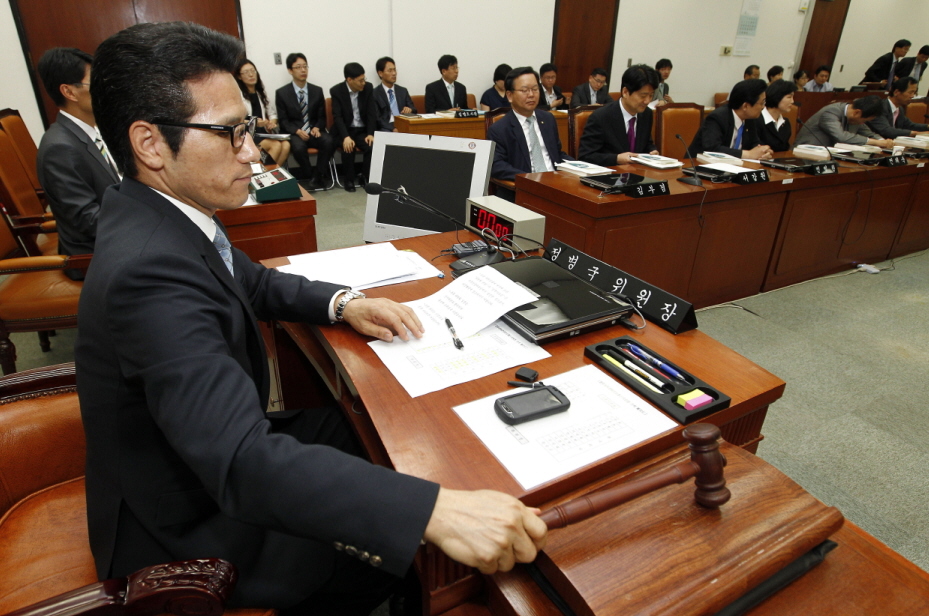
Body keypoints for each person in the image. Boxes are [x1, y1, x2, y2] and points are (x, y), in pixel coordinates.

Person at [79, 21, 547, 615]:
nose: (251, 150)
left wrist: (343, 303)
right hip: (187, 529)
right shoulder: (149, 275)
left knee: (364, 433)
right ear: (149, 143)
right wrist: (433, 511)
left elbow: (253, 280)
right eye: (229, 133)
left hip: (195, 455)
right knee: (416, 555)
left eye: (246, 128)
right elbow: (243, 463)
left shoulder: (162, 209)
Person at [35, 47, 120, 280]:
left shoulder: (90, 131)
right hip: (93, 257)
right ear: (69, 92)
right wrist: (145, 217)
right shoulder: (60, 149)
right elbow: (88, 220)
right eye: (95, 83)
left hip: (113, 237)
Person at [486, 66, 570, 201]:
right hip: (524, 190)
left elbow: (557, 154)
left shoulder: (548, 119)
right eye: (524, 90)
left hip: (557, 185)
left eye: (535, 89)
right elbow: (497, 166)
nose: (531, 95)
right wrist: (532, 178)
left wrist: (581, 167)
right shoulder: (500, 129)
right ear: (510, 95)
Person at [578, 64, 660, 166]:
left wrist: (652, 151)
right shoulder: (601, 117)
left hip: (638, 175)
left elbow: (646, 143)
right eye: (643, 96)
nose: (647, 101)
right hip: (609, 177)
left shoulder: (646, 114)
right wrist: (616, 159)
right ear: (625, 92)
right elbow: (586, 156)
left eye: (651, 95)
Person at [274, 53, 334, 189]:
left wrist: (317, 127)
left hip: (313, 131)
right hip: (295, 132)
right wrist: (297, 131)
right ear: (290, 70)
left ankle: (317, 176)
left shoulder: (317, 91)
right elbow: (283, 121)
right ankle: (312, 175)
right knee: (299, 148)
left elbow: (321, 117)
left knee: (329, 141)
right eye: (298, 67)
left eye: (305, 67)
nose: (303, 70)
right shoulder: (282, 93)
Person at [689, 79, 772, 160]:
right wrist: (748, 154)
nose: (763, 107)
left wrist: (763, 151)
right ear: (745, 106)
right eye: (762, 103)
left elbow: (754, 142)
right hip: (699, 167)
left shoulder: (750, 119)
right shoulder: (717, 117)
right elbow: (712, 149)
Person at [329, 62, 377, 192]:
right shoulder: (337, 91)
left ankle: (364, 176)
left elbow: (371, 113)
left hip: (361, 130)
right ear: (349, 80)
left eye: (364, 79)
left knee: (371, 146)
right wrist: (345, 137)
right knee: (348, 147)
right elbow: (337, 117)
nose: (363, 83)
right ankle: (349, 180)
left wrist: (370, 133)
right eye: (360, 81)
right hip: (344, 130)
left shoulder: (368, 88)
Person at [235, 59, 290, 166]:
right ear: (239, 77)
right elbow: (236, 119)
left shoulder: (261, 93)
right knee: (275, 146)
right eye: (246, 72)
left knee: (286, 145)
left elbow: (272, 114)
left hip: (262, 132)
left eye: (253, 71)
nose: (251, 75)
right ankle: (263, 177)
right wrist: (254, 122)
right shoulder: (238, 95)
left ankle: (270, 176)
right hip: (247, 135)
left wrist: (271, 123)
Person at [794, 95, 893, 148]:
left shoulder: (857, 117)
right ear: (857, 113)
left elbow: (868, 133)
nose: (862, 124)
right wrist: (876, 143)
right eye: (864, 121)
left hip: (831, 155)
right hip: (807, 153)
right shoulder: (831, 112)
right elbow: (841, 136)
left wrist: (883, 141)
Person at [750, 79, 796, 152]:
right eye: (789, 97)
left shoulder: (785, 123)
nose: (792, 101)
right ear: (777, 97)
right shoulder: (756, 120)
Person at [372, 56, 416, 132]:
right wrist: (393, 128)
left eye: (395, 70)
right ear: (380, 73)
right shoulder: (375, 93)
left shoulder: (402, 91)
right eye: (390, 70)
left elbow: (414, 109)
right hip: (386, 127)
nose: (394, 73)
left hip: (403, 124)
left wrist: (410, 109)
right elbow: (377, 118)